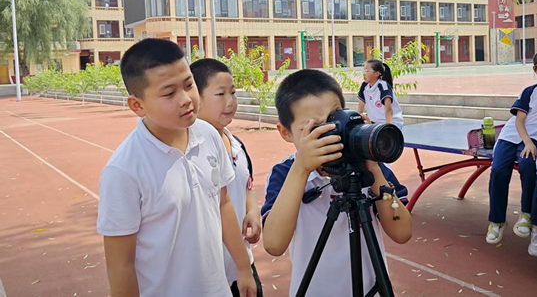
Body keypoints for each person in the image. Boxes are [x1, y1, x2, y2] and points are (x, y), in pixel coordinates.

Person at [96, 39, 256, 296]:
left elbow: (223, 204)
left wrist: (243, 267)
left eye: (189, 85)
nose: (186, 99)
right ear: (137, 105)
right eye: (169, 93)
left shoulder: (209, 134)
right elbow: (120, 265)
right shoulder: (123, 171)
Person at [262, 69, 412, 296]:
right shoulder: (285, 173)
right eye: (315, 129)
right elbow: (274, 244)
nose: (330, 135)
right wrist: (302, 169)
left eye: (334, 120)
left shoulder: (370, 168)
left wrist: (373, 169)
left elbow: (402, 233)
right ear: (286, 132)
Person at [191, 58, 263, 296]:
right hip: (209, 276)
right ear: (195, 98)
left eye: (233, 92)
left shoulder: (236, 144)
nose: (230, 102)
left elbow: (246, 186)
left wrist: (252, 210)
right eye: (220, 94)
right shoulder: (191, 152)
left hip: (242, 265)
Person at [487, 51, 537, 257]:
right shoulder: (530, 91)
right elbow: (519, 121)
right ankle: (497, 220)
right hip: (513, 135)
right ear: (535, 69)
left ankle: (526, 213)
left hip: (535, 137)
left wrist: (531, 142)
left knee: (528, 165)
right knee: (498, 170)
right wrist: (527, 142)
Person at [357, 59, 408, 203]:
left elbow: (389, 110)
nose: (364, 73)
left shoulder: (383, 85)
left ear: (377, 73)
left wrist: (389, 130)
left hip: (390, 124)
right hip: (375, 125)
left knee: (379, 157)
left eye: (367, 70)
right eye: (364, 70)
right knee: (373, 157)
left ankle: (399, 192)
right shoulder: (365, 86)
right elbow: (360, 110)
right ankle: (386, 189)